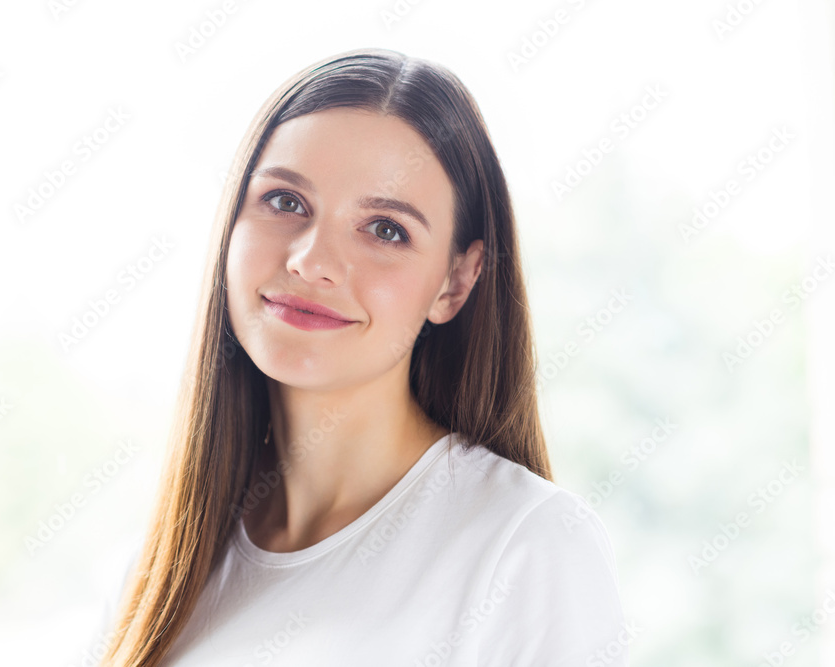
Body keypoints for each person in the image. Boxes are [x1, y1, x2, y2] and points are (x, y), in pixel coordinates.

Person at [100, 47, 628, 667]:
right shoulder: (158, 572)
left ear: (455, 283)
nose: (311, 262)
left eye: (385, 229)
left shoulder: (527, 547)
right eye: (286, 202)